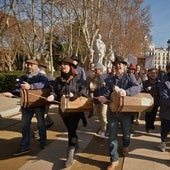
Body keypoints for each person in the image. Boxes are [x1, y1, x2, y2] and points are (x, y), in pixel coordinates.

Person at [97, 56, 141, 170]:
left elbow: (137, 88)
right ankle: (114, 159)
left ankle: (126, 145)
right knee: (112, 136)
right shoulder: (109, 80)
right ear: (114, 66)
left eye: (121, 63)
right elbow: (107, 94)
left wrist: (126, 92)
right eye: (117, 64)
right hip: (112, 112)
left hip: (126, 112)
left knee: (126, 134)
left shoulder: (130, 76)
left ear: (125, 66)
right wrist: (103, 98)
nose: (119, 65)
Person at [46, 57, 88, 168]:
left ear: (71, 67)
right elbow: (54, 91)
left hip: (76, 109)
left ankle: (70, 154)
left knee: (71, 129)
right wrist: (51, 96)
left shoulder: (78, 79)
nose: (63, 66)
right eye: (62, 64)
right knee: (70, 129)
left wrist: (76, 95)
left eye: (65, 64)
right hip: (63, 110)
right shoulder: (57, 80)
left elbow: (84, 90)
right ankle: (75, 143)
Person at [3, 59, 49, 156]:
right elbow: (18, 89)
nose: (28, 66)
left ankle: (43, 141)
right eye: (27, 64)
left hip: (38, 105)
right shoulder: (23, 77)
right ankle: (25, 146)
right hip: (25, 105)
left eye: (31, 65)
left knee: (41, 124)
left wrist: (31, 86)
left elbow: (45, 84)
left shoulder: (41, 76)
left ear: (36, 66)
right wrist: (12, 93)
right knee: (24, 125)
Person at [33, 61, 55, 139]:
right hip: (44, 99)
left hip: (45, 99)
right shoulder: (50, 76)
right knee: (43, 114)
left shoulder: (39, 76)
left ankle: (39, 133)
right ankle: (50, 122)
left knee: (42, 116)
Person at [91, 63, 108, 138]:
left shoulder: (106, 77)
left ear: (100, 69)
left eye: (96, 69)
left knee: (103, 114)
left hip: (104, 99)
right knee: (99, 115)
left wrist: (105, 96)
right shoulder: (94, 77)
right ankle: (102, 128)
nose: (94, 70)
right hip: (96, 99)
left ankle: (104, 130)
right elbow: (92, 88)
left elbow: (109, 88)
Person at [71, 55, 87, 127]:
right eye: (73, 60)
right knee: (73, 108)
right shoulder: (69, 68)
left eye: (75, 60)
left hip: (78, 90)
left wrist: (82, 90)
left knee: (78, 107)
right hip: (71, 90)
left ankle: (81, 121)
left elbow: (84, 80)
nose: (74, 61)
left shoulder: (81, 70)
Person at [142, 68, 160, 133]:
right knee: (148, 114)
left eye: (154, 73)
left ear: (156, 74)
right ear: (149, 74)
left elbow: (161, 91)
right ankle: (148, 127)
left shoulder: (159, 82)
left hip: (156, 100)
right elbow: (142, 91)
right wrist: (146, 89)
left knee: (154, 114)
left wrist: (158, 92)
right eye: (152, 73)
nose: (153, 74)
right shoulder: (146, 82)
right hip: (148, 101)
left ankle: (152, 124)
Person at [158, 62, 170, 152]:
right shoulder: (163, 82)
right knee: (165, 128)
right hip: (166, 111)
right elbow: (163, 97)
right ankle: (163, 142)